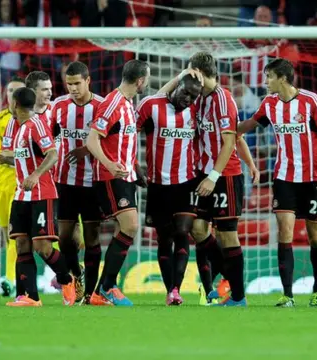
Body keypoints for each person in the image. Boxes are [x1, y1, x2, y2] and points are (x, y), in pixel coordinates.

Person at [238, 58, 317, 307]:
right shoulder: (269, 103)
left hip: (314, 179)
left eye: (269, 76)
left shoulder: (310, 100)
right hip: (284, 177)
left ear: (282, 78)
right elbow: (249, 125)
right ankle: (288, 294)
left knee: (315, 235)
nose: (265, 81)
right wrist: (225, 129)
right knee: (285, 232)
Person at [182, 52, 256, 307]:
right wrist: (252, 163)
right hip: (204, 174)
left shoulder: (223, 100)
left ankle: (238, 296)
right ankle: (229, 275)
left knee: (227, 235)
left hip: (224, 176)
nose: (189, 78)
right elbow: (237, 136)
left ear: (200, 73)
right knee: (198, 228)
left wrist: (214, 177)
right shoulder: (200, 99)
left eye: (191, 73)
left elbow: (228, 142)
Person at [0, 87, 76, 307]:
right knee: (21, 244)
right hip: (21, 194)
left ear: (15, 104)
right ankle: (30, 297)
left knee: (42, 247)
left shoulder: (37, 125)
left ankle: (69, 279)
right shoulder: (18, 127)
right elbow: (21, 160)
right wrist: (2, 159)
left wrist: (36, 175)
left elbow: (53, 154)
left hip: (41, 194)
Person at [85, 59, 150, 306]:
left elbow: (122, 142)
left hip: (126, 175)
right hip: (111, 176)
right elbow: (92, 141)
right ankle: (107, 287)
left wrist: (135, 167)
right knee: (131, 226)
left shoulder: (127, 103)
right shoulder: (112, 103)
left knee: (125, 228)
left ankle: (102, 290)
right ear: (141, 81)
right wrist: (111, 164)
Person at [136, 74, 203, 305]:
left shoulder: (196, 111)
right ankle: (169, 290)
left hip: (186, 182)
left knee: (183, 233)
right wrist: (135, 166)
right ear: (176, 86)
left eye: (193, 97)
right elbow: (126, 135)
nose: (188, 99)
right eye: (185, 93)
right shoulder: (151, 106)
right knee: (164, 240)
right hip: (157, 185)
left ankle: (176, 289)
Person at [49, 61, 105, 305]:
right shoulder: (58, 107)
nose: (72, 88)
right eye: (68, 84)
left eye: (76, 83)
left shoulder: (102, 107)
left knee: (92, 237)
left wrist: (88, 149)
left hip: (94, 182)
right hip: (64, 181)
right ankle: (77, 275)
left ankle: (91, 292)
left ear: (88, 80)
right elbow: (47, 137)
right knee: (63, 237)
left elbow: (113, 141)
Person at [0, 77, 25, 297]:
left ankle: (11, 279)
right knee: (7, 236)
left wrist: (7, 156)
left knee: (15, 234)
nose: (13, 94)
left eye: (17, 91)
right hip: (0, 184)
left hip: (21, 183)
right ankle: (15, 276)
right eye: (10, 90)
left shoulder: (30, 120)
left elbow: (4, 154)